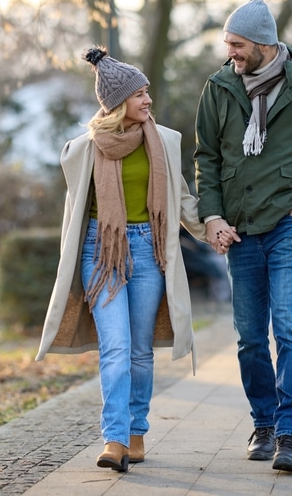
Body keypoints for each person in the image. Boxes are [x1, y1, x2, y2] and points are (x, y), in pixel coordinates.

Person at [36, 47, 219, 472]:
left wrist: (211, 228)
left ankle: (137, 433)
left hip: (148, 249)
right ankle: (114, 439)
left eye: (147, 92)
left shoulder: (166, 142)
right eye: (140, 94)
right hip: (102, 251)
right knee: (115, 348)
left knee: (139, 351)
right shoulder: (82, 150)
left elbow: (182, 199)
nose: (148, 100)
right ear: (119, 102)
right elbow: (76, 208)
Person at [194, 0, 292, 472]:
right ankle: (263, 423)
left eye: (238, 45)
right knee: (248, 337)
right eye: (227, 44)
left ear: (265, 44)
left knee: (288, 329)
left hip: (290, 228)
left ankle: (290, 434)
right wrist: (213, 218)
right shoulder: (219, 87)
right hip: (240, 232)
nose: (231, 54)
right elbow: (207, 158)